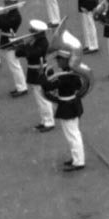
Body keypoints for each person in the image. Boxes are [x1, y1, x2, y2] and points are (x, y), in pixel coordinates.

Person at [42, 39, 86, 172]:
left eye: (60, 60)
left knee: (72, 134)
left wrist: (44, 73)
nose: (58, 62)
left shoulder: (65, 76)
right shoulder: (72, 73)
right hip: (72, 104)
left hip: (67, 106)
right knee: (72, 133)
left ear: (66, 61)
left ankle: (79, 161)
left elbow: (48, 86)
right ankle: (76, 157)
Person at [14, 20, 54, 132]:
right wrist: (19, 46)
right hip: (33, 71)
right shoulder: (34, 40)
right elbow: (19, 53)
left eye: (32, 31)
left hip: (39, 72)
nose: (30, 33)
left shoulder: (43, 43)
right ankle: (44, 120)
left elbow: (33, 53)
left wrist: (22, 45)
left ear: (38, 32)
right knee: (39, 99)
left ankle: (49, 122)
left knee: (43, 99)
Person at [0, 0, 28, 98]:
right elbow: (0, 24)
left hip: (11, 41)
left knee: (15, 66)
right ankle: (20, 86)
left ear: (12, 3)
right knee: (13, 65)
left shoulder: (16, 16)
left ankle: (22, 88)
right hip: (6, 40)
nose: (5, 4)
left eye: (7, 3)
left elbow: (5, 24)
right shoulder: (9, 12)